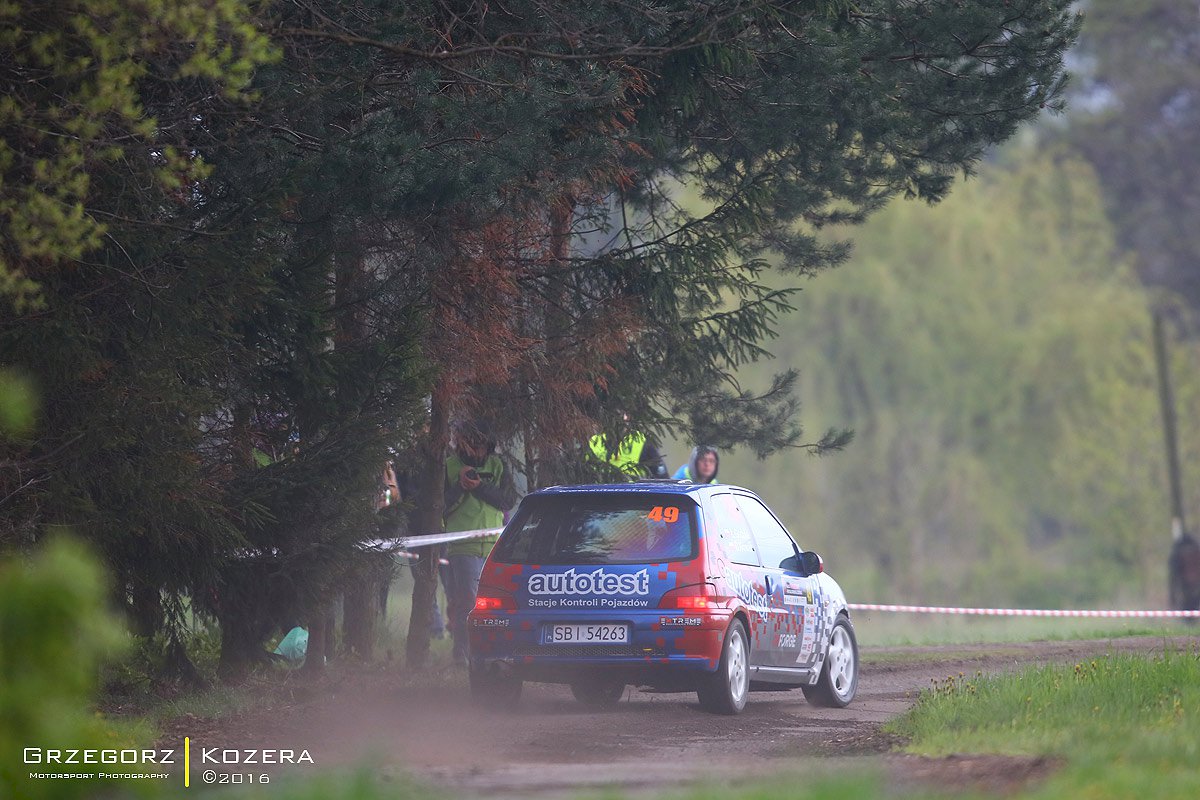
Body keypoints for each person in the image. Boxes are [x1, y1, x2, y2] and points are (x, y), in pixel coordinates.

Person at [444, 419, 518, 665]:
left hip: (494, 547)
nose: (477, 451)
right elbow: (440, 506)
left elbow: (507, 500)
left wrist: (479, 487)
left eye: (481, 446)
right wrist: (460, 486)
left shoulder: (498, 465)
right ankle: (463, 653)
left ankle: (493, 653)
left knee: (497, 604)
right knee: (468, 602)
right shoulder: (449, 466)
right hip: (462, 546)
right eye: (471, 445)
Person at [588, 430, 668, 480]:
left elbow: (661, 477)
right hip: (631, 497)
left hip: (631, 497)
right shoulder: (593, 442)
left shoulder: (593, 441)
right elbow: (662, 477)